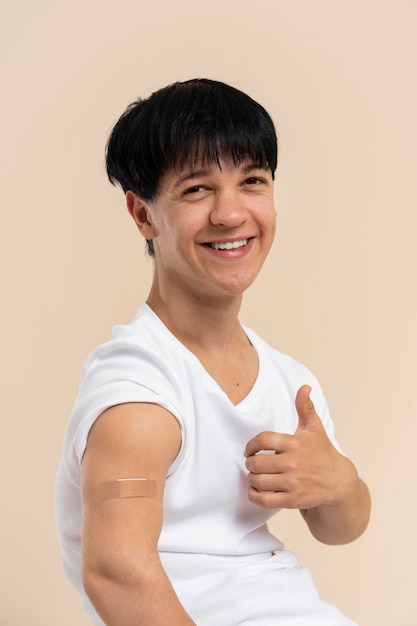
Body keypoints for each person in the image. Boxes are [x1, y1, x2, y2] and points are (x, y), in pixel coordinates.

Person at [55, 78, 371, 625]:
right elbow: (115, 571)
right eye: (197, 189)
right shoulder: (139, 391)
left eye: (252, 181)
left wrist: (339, 482)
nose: (230, 214)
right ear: (142, 214)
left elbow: (340, 527)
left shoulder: (289, 382)